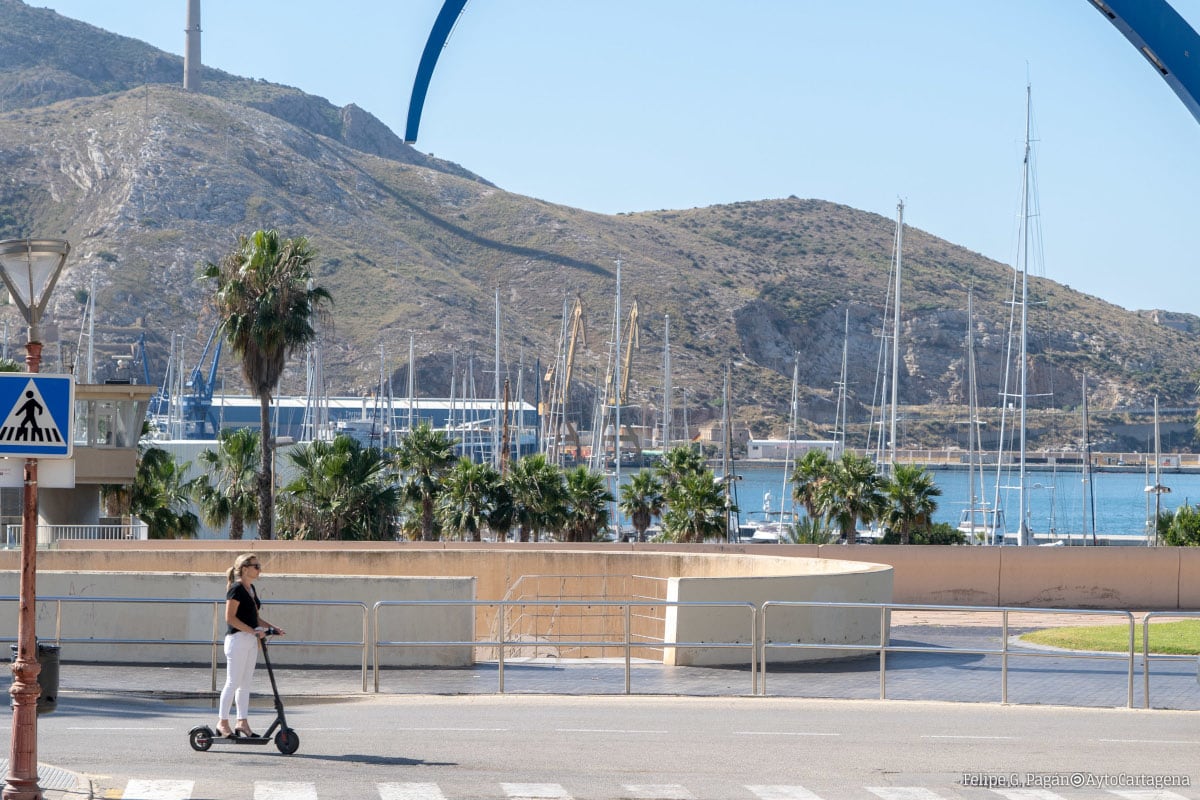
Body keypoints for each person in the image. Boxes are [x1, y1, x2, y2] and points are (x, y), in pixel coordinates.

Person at [216, 553, 285, 738]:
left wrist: (272, 627)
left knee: (245, 684)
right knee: (233, 682)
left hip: (250, 640)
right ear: (245, 569)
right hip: (237, 639)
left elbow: (255, 618)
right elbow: (230, 618)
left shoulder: (251, 589)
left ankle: (242, 722)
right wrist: (252, 630)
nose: (259, 569)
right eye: (256, 566)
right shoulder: (236, 589)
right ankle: (222, 722)